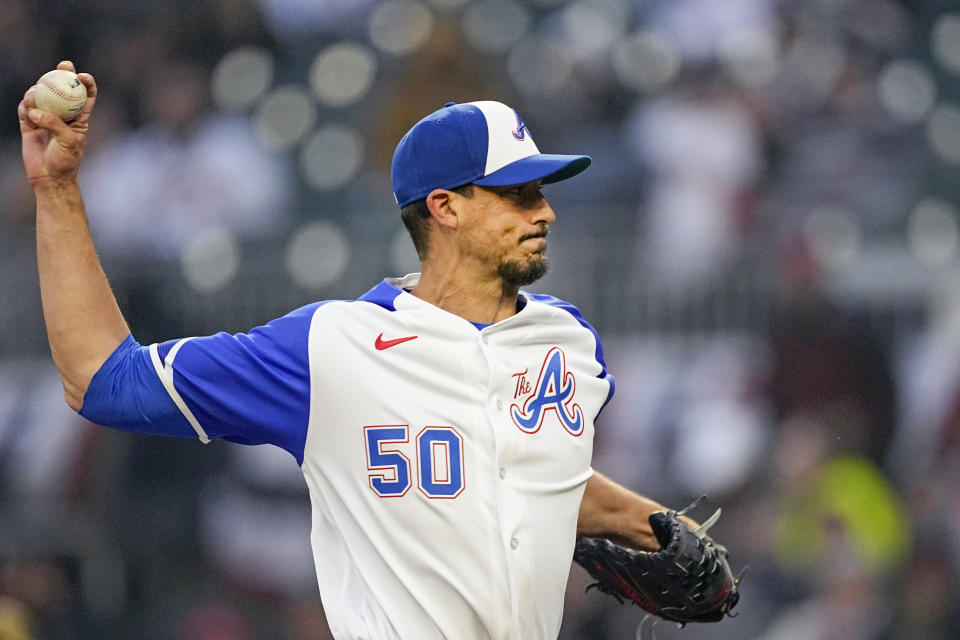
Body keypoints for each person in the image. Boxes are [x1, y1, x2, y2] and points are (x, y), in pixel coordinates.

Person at [20, 61, 694, 639]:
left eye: (540, 191)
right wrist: (56, 191)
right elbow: (103, 380)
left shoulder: (568, 340)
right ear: (445, 208)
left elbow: (531, 472)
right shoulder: (329, 348)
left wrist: (655, 524)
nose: (543, 212)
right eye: (517, 194)